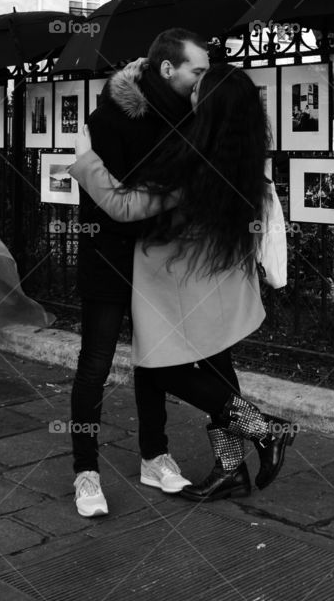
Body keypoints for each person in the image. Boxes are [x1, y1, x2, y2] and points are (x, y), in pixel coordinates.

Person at [69, 63, 296, 502]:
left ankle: (264, 429)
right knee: (217, 368)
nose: (192, 91)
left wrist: (86, 161)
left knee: (163, 367)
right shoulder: (239, 150)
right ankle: (231, 468)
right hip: (218, 279)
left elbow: (125, 206)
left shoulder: (193, 158)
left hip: (180, 283)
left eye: (200, 90)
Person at [71, 28, 210, 517]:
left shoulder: (188, 119)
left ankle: (154, 456)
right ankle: (86, 473)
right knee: (96, 363)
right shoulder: (111, 117)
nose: (202, 80)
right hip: (109, 255)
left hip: (158, 256)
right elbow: (111, 202)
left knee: (155, 360)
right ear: (168, 68)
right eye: (197, 71)